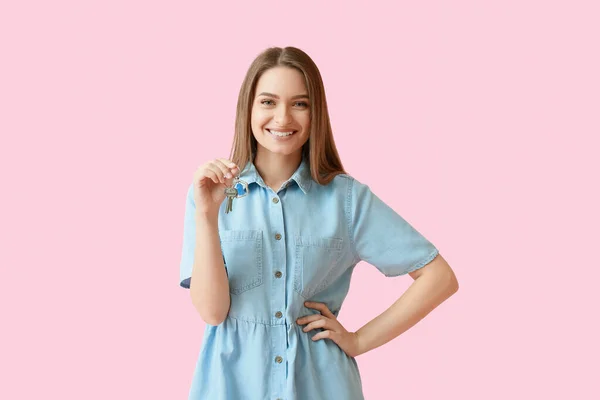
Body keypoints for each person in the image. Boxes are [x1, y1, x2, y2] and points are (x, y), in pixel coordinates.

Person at [179, 46, 459, 400]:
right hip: (231, 385)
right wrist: (206, 215)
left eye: (300, 103)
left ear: (316, 113)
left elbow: (439, 277)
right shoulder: (210, 195)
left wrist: (359, 340)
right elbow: (212, 311)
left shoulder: (346, 199)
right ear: (248, 109)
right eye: (268, 102)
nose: (283, 118)